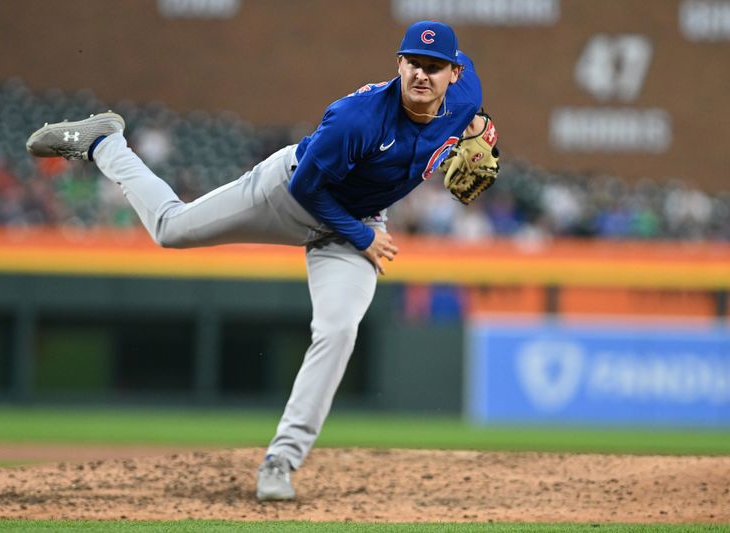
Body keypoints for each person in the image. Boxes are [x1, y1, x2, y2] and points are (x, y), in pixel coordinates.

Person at [26, 20, 486, 501]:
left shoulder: (467, 92)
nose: (422, 75)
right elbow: (307, 188)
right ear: (399, 63)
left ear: (453, 73)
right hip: (289, 196)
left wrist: (484, 133)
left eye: (434, 67)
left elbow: (478, 118)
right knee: (170, 229)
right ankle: (105, 143)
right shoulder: (358, 119)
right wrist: (360, 236)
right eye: (413, 63)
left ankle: (280, 461)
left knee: (338, 331)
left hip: (360, 221)